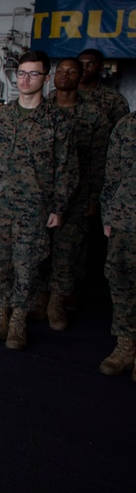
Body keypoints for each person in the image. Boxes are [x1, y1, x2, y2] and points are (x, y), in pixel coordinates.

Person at [0, 51, 76, 350]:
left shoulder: (57, 121)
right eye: (21, 74)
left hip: (35, 208)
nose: (25, 79)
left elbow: (66, 168)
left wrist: (58, 207)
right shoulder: (0, 118)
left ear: (45, 78)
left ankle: (18, 321)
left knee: (27, 265)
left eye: (33, 74)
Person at [38, 58, 111, 330]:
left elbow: (99, 162)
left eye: (71, 72)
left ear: (81, 77)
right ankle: (39, 298)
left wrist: (94, 198)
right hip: (39, 195)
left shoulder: (94, 116)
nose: (64, 76)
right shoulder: (39, 110)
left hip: (77, 197)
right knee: (37, 249)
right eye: (60, 71)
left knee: (67, 251)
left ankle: (57, 302)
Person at [99, 111, 136, 378]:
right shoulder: (128, 124)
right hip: (126, 216)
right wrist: (108, 213)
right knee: (122, 283)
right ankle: (126, 346)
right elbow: (112, 173)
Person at [78, 49, 130, 126]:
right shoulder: (57, 95)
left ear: (101, 67)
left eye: (91, 64)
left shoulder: (115, 99)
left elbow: (122, 131)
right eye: (80, 64)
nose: (84, 68)